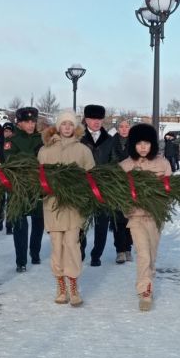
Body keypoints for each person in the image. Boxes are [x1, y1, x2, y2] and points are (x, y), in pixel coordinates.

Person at [38, 109, 95, 306]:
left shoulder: (83, 150)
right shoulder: (45, 150)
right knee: (57, 247)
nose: (67, 128)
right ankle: (60, 285)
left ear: (75, 127)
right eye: (64, 124)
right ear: (58, 126)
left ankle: (73, 285)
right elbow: (40, 177)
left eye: (71, 124)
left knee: (72, 245)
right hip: (53, 206)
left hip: (73, 207)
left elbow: (92, 177)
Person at [119, 123, 172, 311]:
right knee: (142, 254)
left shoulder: (162, 164)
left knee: (151, 255)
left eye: (147, 143)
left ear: (152, 145)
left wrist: (160, 203)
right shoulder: (125, 166)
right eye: (139, 143)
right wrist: (128, 208)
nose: (143, 147)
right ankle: (145, 292)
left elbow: (170, 190)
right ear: (133, 144)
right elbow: (119, 194)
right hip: (136, 218)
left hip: (155, 217)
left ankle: (148, 278)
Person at [5, 107, 44, 272]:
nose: (30, 125)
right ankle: (21, 260)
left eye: (33, 121)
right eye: (26, 122)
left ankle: (35, 252)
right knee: (20, 226)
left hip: (37, 187)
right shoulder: (12, 141)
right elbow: (10, 162)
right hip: (19, 188)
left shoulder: (42, 139)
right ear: (19, 123)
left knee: (38, 223)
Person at [79, 104, 115, 267]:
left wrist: (107, 176)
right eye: (93, 119)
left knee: (102, 222)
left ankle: (96, 254)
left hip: (103, 187)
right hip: (83, 187)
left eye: (99, 119)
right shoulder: (78, 138)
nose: (96, 122)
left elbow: (114, 161)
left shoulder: (109, 140)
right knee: (81, 221)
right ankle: (80, 250)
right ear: (86, 119)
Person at [110, 119, 133, 264]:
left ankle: (128, 249)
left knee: (130, 217)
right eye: (121, 126)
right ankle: (120, 250)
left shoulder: (135, 143)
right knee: (118, 219)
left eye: (127, 126)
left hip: (132, 184)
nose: (124, 129)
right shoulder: (111, 142)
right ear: (117, 128)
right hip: (116, 184)